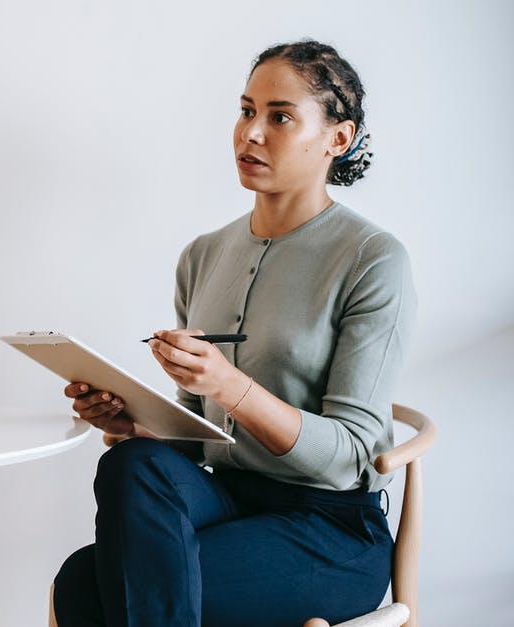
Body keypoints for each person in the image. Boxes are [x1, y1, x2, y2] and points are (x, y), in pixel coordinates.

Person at [52, 40, 416, 627]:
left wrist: (230, 386)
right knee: (131, 465)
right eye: (247, 110)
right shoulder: (203, 256)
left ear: (337, 140)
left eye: (280, 117)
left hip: (329, 528)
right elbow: (200, 445)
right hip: (230, 499)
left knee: (89, 588)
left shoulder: (372, 259)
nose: (250, 134)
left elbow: (351, 457)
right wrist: (134, 424)